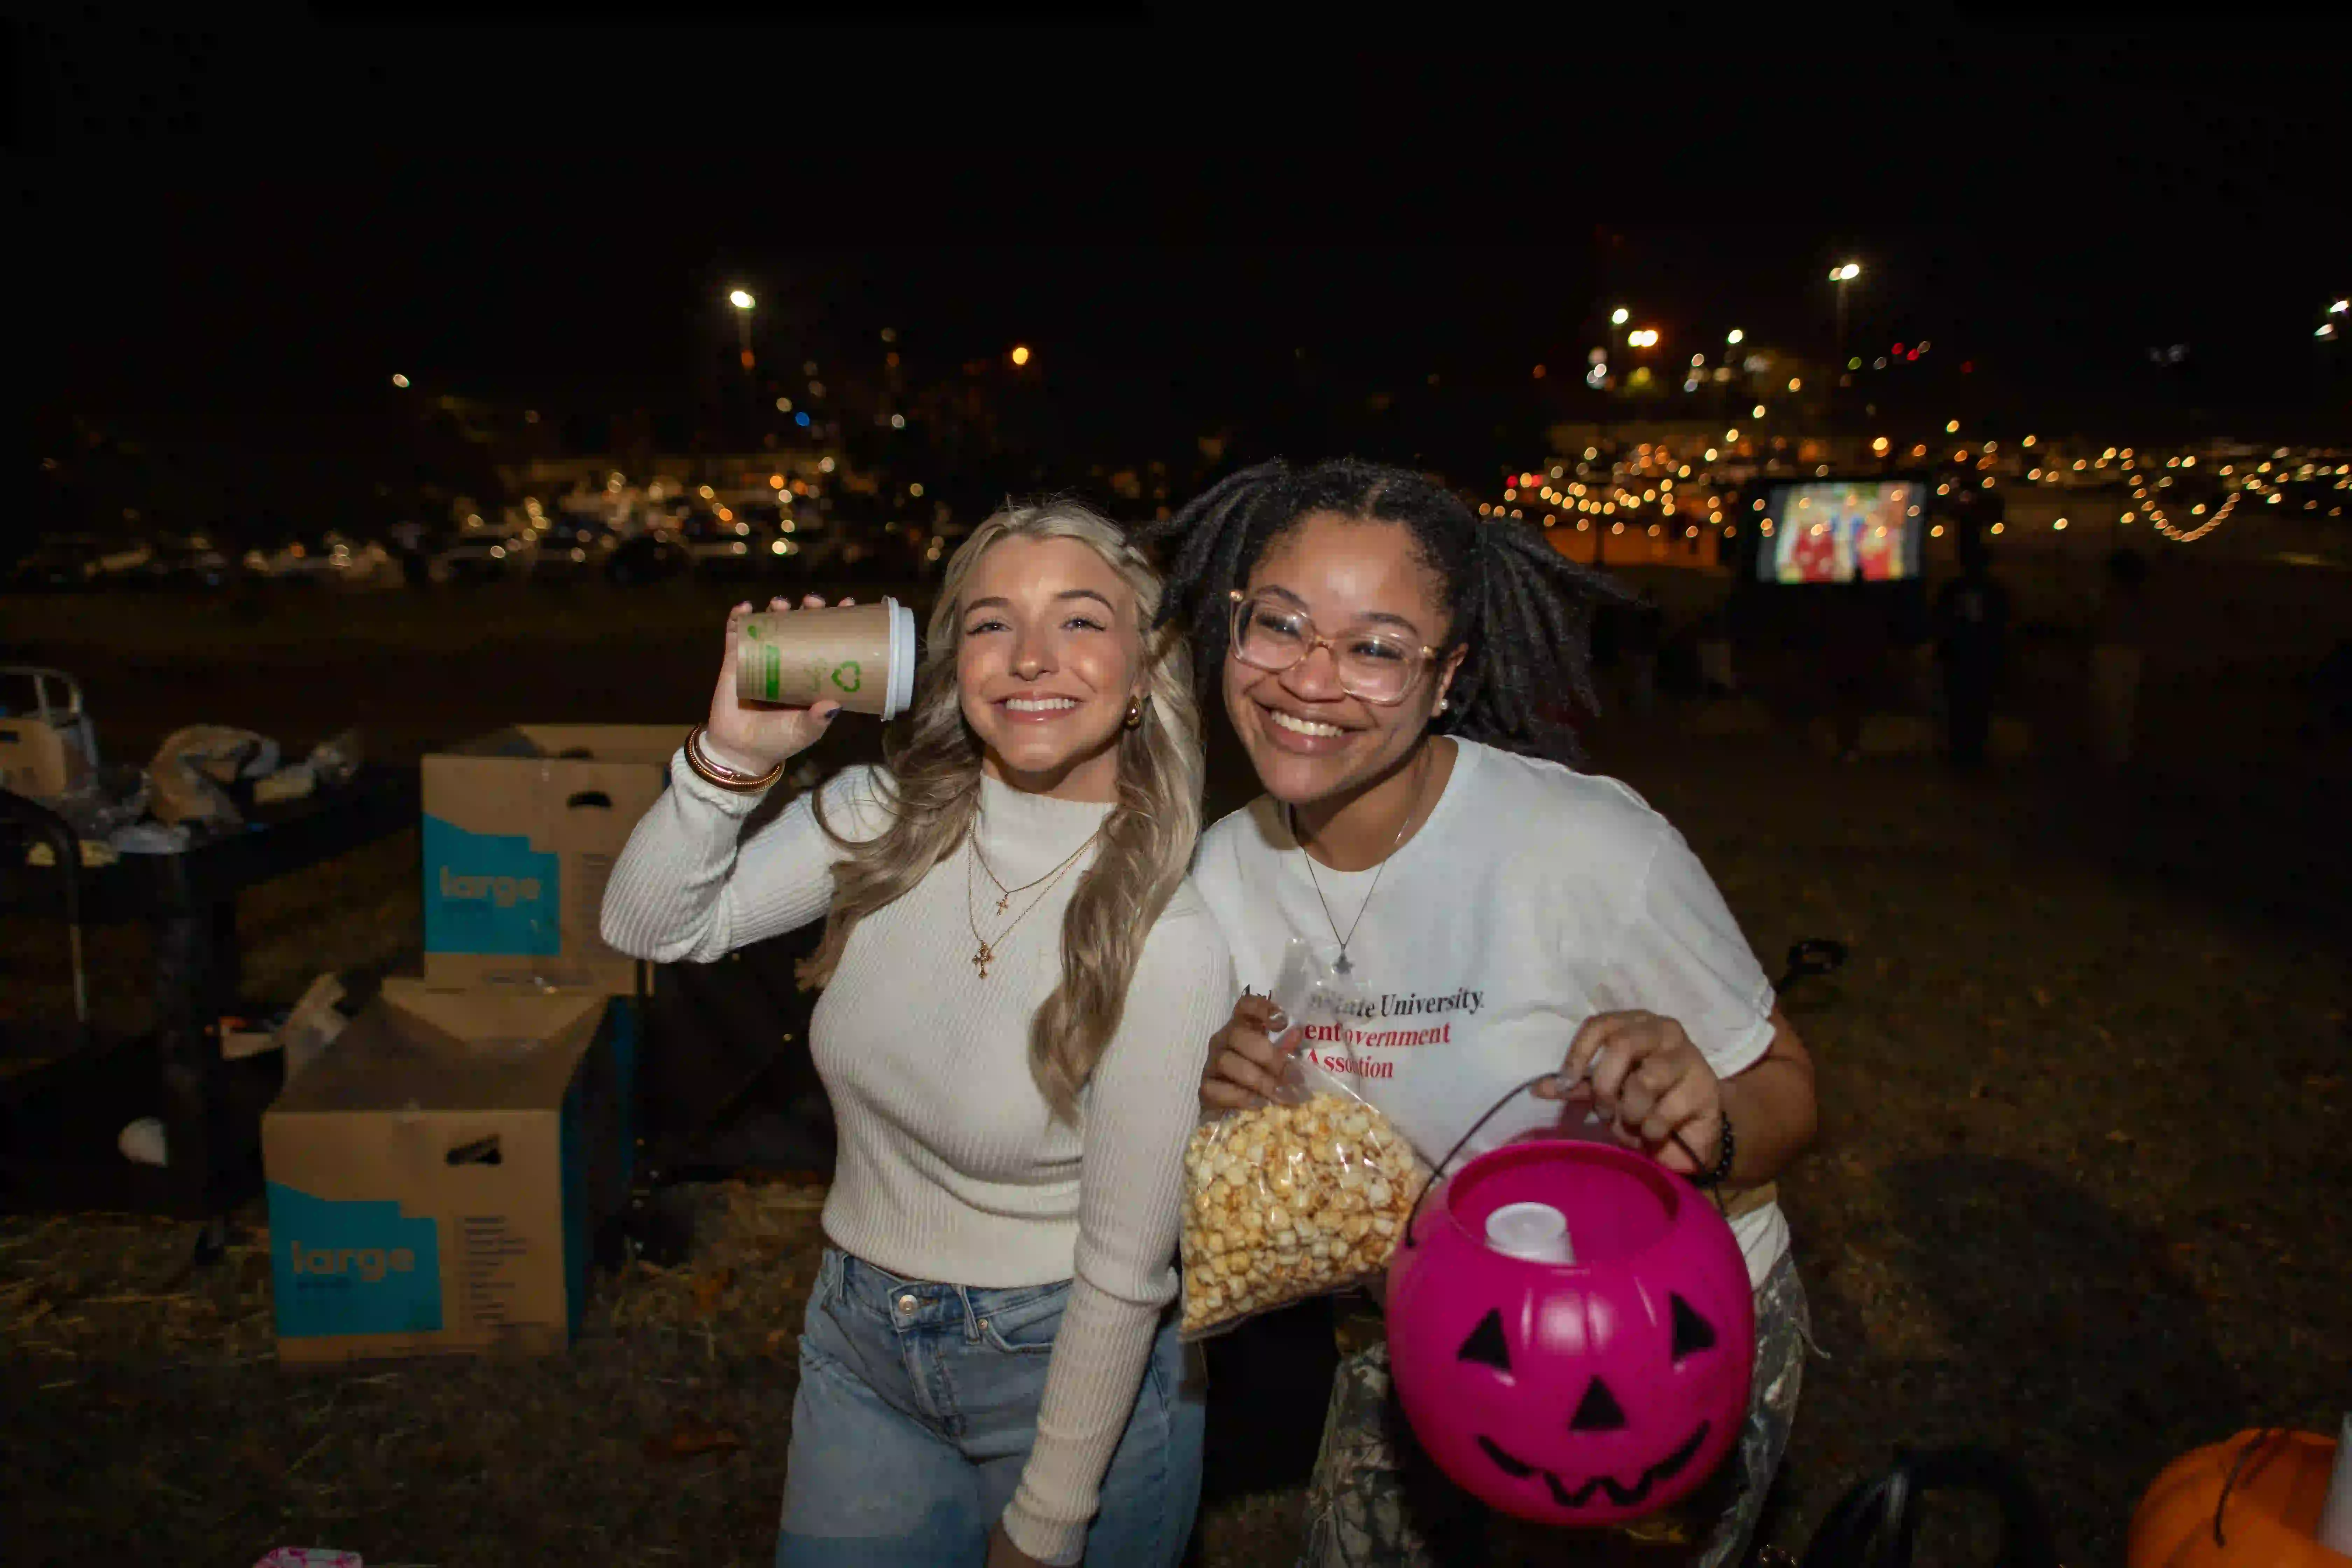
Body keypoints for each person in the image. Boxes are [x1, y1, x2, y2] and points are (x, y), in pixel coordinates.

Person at [1147, 458, 1821, 1568]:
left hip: (1645, 1352)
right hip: (1412, 1336)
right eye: (1278, 626)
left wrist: (1711, 1120)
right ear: (1231, 623)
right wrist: (1215, 1097)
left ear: (1447, 672)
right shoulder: (1217, 875)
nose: (1308, 680)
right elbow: (1247, 1160)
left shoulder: (1589, 847)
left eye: (1373, 646)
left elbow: (1789, 1088)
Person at [601, 501, 1231, 1568]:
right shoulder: (884, 813)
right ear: (952, 661)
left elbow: (1128, 1270)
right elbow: (651, 922)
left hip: (1067, 1368)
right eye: (992, 623)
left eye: (1080, 621)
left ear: (1142, 666)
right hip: (856, 1336)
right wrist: (730, 755)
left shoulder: (1167, 932)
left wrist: (1044, 1526)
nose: (1031, 657)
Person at [1932, 520, 2010, 771]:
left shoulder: (1992, 593)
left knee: (1976, 707)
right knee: (1964, 707)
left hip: (1978, 656)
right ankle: (1964, 753)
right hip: (1964, 657)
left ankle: (1972, 753)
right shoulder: (1958, 591)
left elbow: (2002, 624)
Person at [2088, 547, 2148, 768]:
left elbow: (2099, 624)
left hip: (2111, 652)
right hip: (2128, 653)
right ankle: (2118, 757)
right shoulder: (2137, 598)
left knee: (2110, 709)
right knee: (2122, 710)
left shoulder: (2110, 596)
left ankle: (2112, 758)